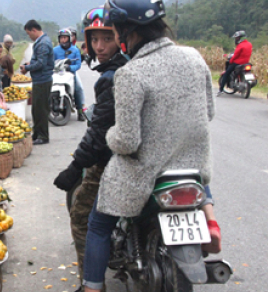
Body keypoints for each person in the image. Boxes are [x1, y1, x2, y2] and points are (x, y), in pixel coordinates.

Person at [81, 0, 218, 291]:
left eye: (115, 32)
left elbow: (127, 142)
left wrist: (110, 137)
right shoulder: (194, 56)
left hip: (142, 177)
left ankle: (92, 287)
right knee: (194, 178)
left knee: (98, 224)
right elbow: (208, 113)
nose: (114, 39)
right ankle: (211, 220)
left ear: (128, 31)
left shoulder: (131, 73)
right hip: (189, 171)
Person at [54, 7, 128, 291]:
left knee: (84, 218)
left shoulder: (111, 78)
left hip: (115, 161)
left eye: (107, 39)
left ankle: (91, 283)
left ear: (122, 36)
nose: (99, 47)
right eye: (94, 39)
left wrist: (75, 168)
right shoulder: (136, 64)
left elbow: (98, 136)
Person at [20, 20, 54, 145]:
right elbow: (39, 61)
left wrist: (27, 68)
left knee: (41, 109)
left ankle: (43, 136)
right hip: (39, 79)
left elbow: (41, 63)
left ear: (34, 30)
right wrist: (30, 64)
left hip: (42, 80)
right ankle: (37, 133)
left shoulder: (43, 43)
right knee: (36, 109)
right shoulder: (41, 42)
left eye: (29, 33)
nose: (29, 36)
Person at [53, 28, 86, 121]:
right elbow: (51, 63)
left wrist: (70, 68)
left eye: (65, 38)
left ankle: (80, 112)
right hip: (58, 74)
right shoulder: (55, 50)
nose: (63, 40)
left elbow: (78, 65)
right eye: (61, 38)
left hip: (70, 75)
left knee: (78, 89)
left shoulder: (75, 50)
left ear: (69, 38)